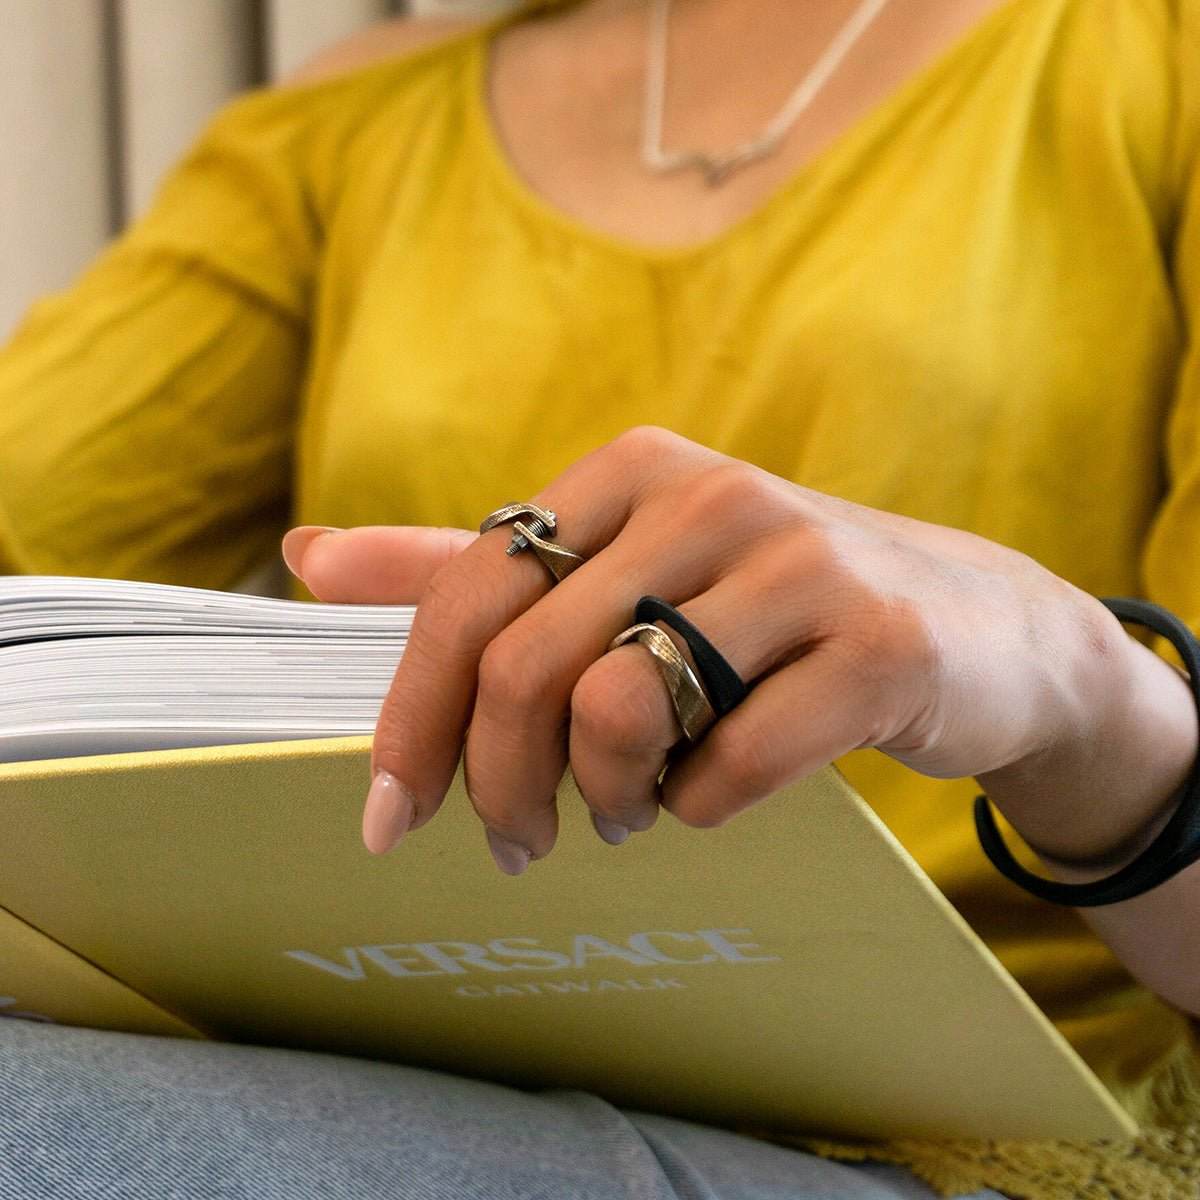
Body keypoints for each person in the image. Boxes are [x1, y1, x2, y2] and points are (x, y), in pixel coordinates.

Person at [0, 0, 1196, 1196]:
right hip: (388, 1067)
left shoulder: (1150, 57)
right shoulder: (353, 128)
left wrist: (1079, 693)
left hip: (976, 1142)